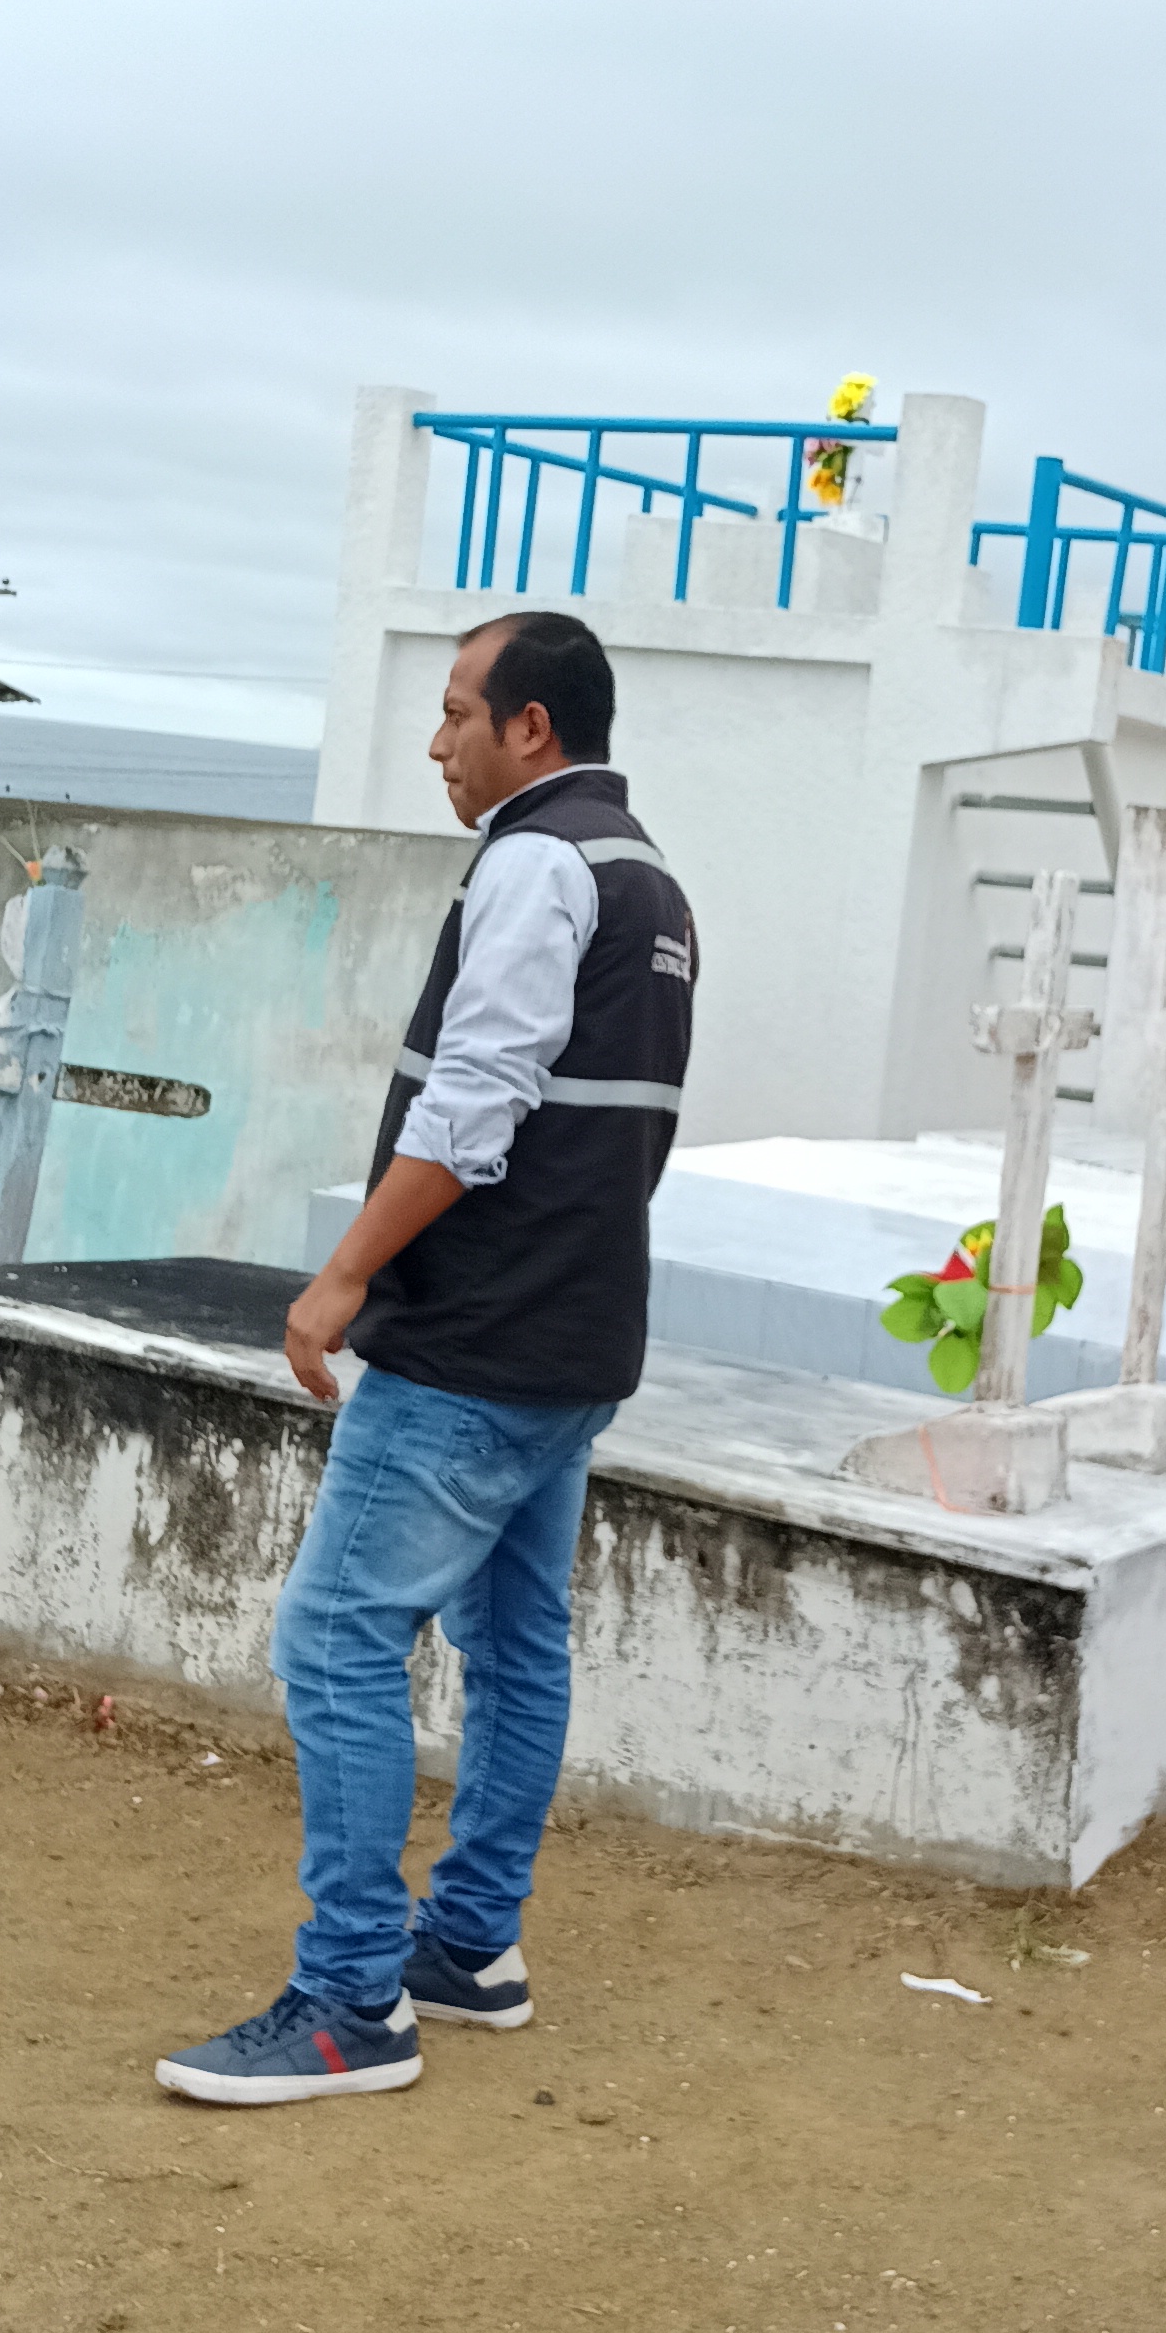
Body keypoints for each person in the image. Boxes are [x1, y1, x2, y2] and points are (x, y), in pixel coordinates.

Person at [156, 610, 695, 2104]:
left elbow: (476, 1100)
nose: (438, 741)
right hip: (575, 1336)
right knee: (516, 1642)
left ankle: (350, 2002)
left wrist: (345, 1272)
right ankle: (467, 1945)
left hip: (473, 1341)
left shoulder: (535, 862)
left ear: (531, 728)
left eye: (459, 711)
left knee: (335, 1636)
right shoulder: (644, 875)